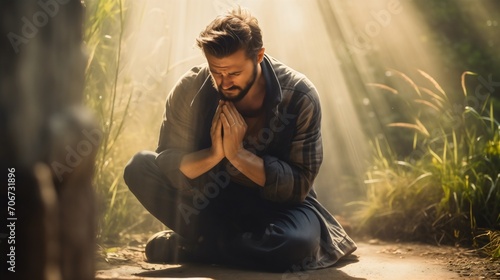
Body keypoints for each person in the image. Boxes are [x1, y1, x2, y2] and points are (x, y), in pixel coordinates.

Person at [124, 7, 356, 271]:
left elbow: (298, 186)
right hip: (211, 204)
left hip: (278, 210)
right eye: (216, 71)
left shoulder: (299, 96)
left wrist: (239, 156)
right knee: (139, 167)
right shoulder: (188, 89)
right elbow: (167, 165)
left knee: (294, 245)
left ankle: (199, 246)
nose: (223, 82)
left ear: (258, 56)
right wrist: (215, 154)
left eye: (234, 73)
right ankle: (234, 246)